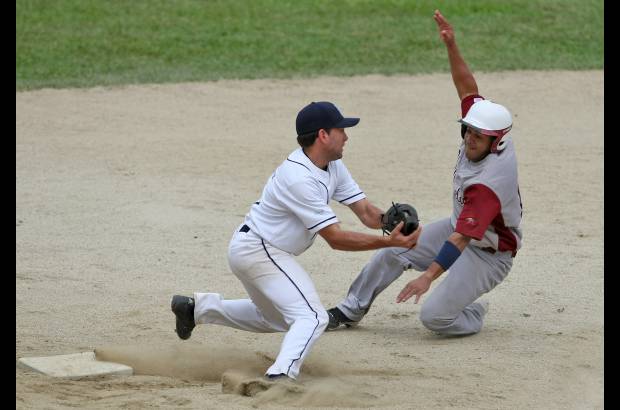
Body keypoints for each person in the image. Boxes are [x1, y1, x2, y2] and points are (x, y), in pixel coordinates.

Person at [171, 101, 421, 380]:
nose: (347, 136)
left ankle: (196, 310)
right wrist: (389, 244)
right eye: (341, 130)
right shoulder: (298, 178)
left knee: (276, 318)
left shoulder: (332, 165)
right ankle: (280, 376)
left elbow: (365, 211)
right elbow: (336, 239)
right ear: (323, 135)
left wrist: (391, 222)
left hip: (257, 248)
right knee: (313, 317)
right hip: (260, 250)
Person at [326, 10, 523, 336]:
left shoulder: (488, 184)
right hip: (457, 226)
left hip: (489, 254)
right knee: (393, 248)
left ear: (496, 141)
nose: (470, 138)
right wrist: (451, 45)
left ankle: (473, 312)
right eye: (467, 130)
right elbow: (466, 87)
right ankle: (350, 309)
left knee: (435, 317)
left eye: (478, 135)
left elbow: (461, 238)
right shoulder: (486, 130)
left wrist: (427, 276)